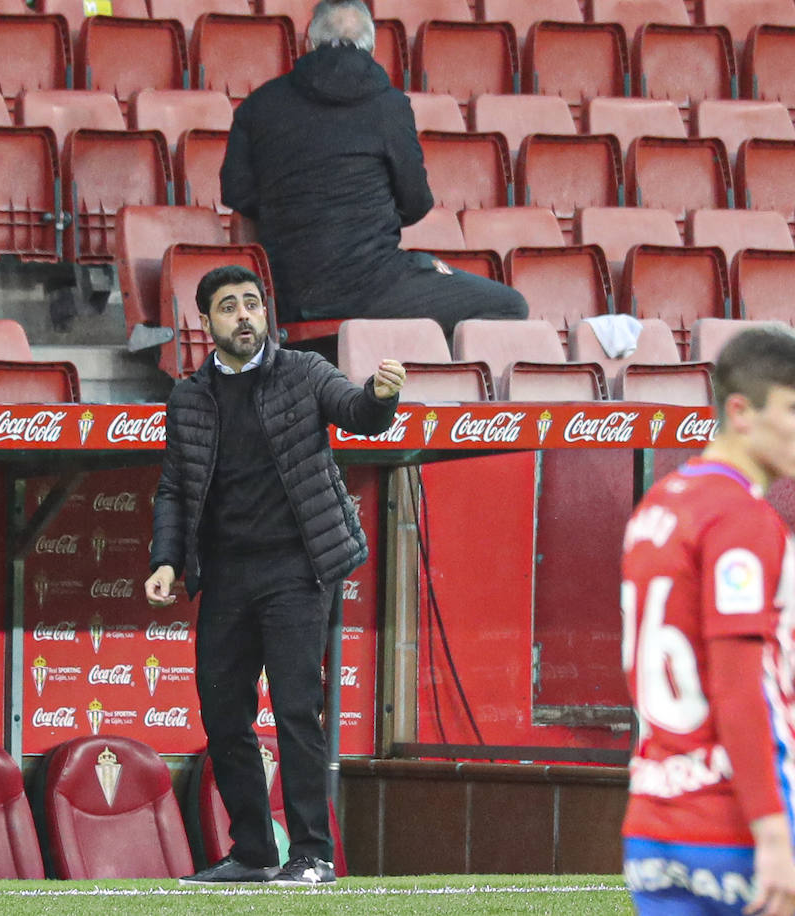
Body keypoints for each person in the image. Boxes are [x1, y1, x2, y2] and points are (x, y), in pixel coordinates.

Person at [145, 264, 404, 886]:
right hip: (227, 574)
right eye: (229, 306)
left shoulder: (304, 371)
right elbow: (176, 489)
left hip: (297, 567)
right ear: (205, 323)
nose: (243, 316)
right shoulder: (189, 396)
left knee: (294, 709)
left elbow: (356, 412)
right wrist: (166, 559)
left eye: (252, 304)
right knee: (222, 714)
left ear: (267, 314)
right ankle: (255, 851)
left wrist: (380, 397)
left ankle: (313, 853)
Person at [620, 328, 795, 916]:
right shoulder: (743, 521)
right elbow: (739, 689)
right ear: (741, 411)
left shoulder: (660, 504)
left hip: (655, 826)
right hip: (734, 825)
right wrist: (777, 834)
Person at [220, 0, 528, 336]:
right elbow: (416, 200)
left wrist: (290, 209)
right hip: (374, 286)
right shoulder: (389, 106)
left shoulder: (259, 105)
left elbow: (236, 192)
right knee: (508, 305)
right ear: (372, 47)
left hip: (288, 291)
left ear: (307, 42)